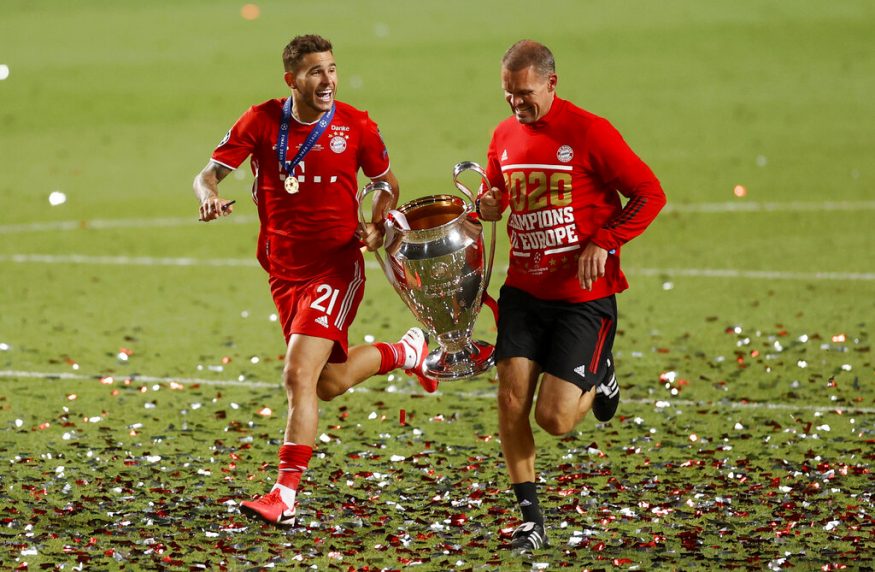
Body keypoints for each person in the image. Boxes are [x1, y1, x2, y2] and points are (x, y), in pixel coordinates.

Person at [192, 34, 436, 526]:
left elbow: (387, 183)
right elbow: (207, 174)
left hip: (335, 268)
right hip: (283, 272)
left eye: (331, 69)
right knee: (327, 383)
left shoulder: (356, 125)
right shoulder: (260, 120)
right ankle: (406, 352)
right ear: (291, 80)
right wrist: (208, 195)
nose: (327, 81)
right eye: (314, 72)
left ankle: (284, 496)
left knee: (297, 375)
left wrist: (378, 220)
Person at [477, 40, 666, 552]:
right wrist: (489, 203)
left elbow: (650, 194)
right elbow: (496, 194)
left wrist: (605, 242)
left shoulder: (589, 132)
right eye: (509, 95)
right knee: (511, 400)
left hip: (583, 298)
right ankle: (531, 520)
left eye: (525, 94)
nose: (517, 104)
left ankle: (601, 372)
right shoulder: (503, 135)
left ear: (552, 85)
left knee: (555, 419)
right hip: (523, 291)